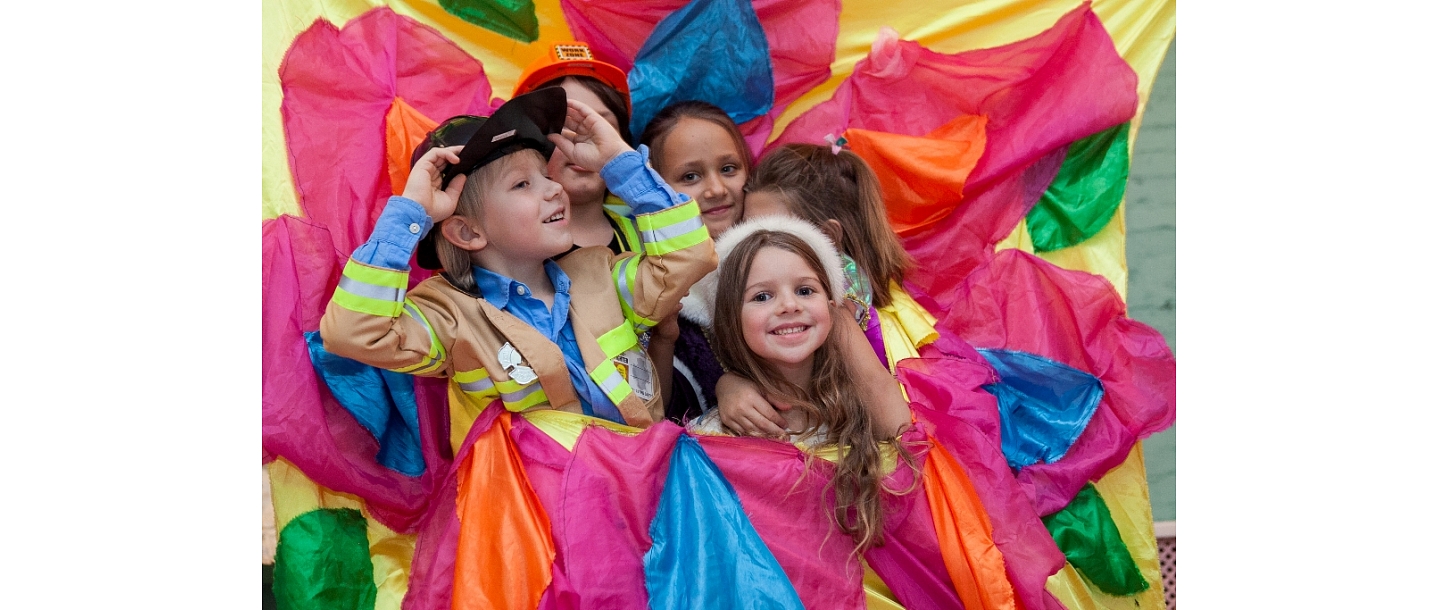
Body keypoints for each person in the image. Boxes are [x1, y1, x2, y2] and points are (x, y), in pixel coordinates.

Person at [320, 88, 715, 431]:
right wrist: (409, 214)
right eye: (523, 184)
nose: (554, 189)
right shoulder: (447, 315)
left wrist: (621, 163)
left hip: (643, 490)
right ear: (469, 232)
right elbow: (352, 334)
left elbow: (690, 256)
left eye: (546, 175)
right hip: (538, 515)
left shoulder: (603, 273)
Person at [687, 214, 915, 552]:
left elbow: (911, 452)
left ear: (832, 306)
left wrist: (839, 323)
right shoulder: (712, 437)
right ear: (729, 320)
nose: (790, 305)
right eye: (762, 297)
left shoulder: (865, 409)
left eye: (805, 290)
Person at [719, 143, 956, 437]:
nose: (758, 245)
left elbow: (897, 428)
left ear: (828, 238)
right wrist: (727, 385)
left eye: (776, 233)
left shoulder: (838, 309)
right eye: (748, 231)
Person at [637, 100, 755, 422]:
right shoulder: (646, 283)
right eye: (691, 177)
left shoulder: (789, 252)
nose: (716, 189)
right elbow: (654, 418)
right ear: (655, 189)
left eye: (729, 169)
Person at [513, 41, 643, 254]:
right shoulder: (504, 243)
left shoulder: (649, 236)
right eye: (565, 124)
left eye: (601, 126)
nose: (584, 139)